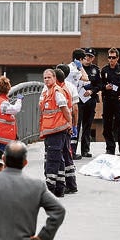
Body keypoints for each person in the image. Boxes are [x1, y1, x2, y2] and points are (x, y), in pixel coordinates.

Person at [39, 68, 72, 197]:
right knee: (58, 159)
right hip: (51, 131)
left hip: (57, 130)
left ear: (54, 78)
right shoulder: (48, 92)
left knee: (52, 159)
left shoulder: (57, 92)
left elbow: (65, 109)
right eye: (45, 78)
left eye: (49, 77)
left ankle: (50, 187)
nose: (46, 80)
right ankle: (59, 188)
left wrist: (69, 123)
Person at [55, 66, 78, 194]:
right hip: (66, 127)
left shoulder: (53, 89)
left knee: (58, 157)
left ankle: (60, 185)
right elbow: (75, 109)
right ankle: (71, 184)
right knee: (67, 155)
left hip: (57, 128)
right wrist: (74, 125)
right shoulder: (71, 87)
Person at [100, 47, 120, 155]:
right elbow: (100, 84)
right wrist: (105, 87)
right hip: (108, 100)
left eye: (113, 57)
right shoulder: (104, 70)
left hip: (119, 100)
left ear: (117, 58)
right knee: (107, 125)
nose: (111, 59)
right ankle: (110, 148)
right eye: (109, 57)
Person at [77, 48, 102, 158]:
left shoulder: (95, 70)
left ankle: (85, 150)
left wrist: (92, 91)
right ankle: (72, 150)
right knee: (76, 126)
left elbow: (100, 85)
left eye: (90, 56)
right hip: (78, 101)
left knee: (87, 126)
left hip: (90, 100)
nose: (88, 58)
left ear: (93, 58)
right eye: (86, 56)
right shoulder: (77, 69)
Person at [66, 48, 88, 159]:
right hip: (71, 100)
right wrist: (81, 67)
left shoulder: (70, 68)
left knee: (73, 125)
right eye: (84, 59)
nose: (86, 61)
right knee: (74, 124)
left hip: (70, 99)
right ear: (79, 59)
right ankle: (71, 152)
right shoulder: (74, 69)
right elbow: (86, 78)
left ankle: (71, 151)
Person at [0, 76, 22, 151]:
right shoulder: (3, 103)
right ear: (7, 89)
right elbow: (16, 109)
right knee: (5, 158)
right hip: (5, 136)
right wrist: (19, 99)